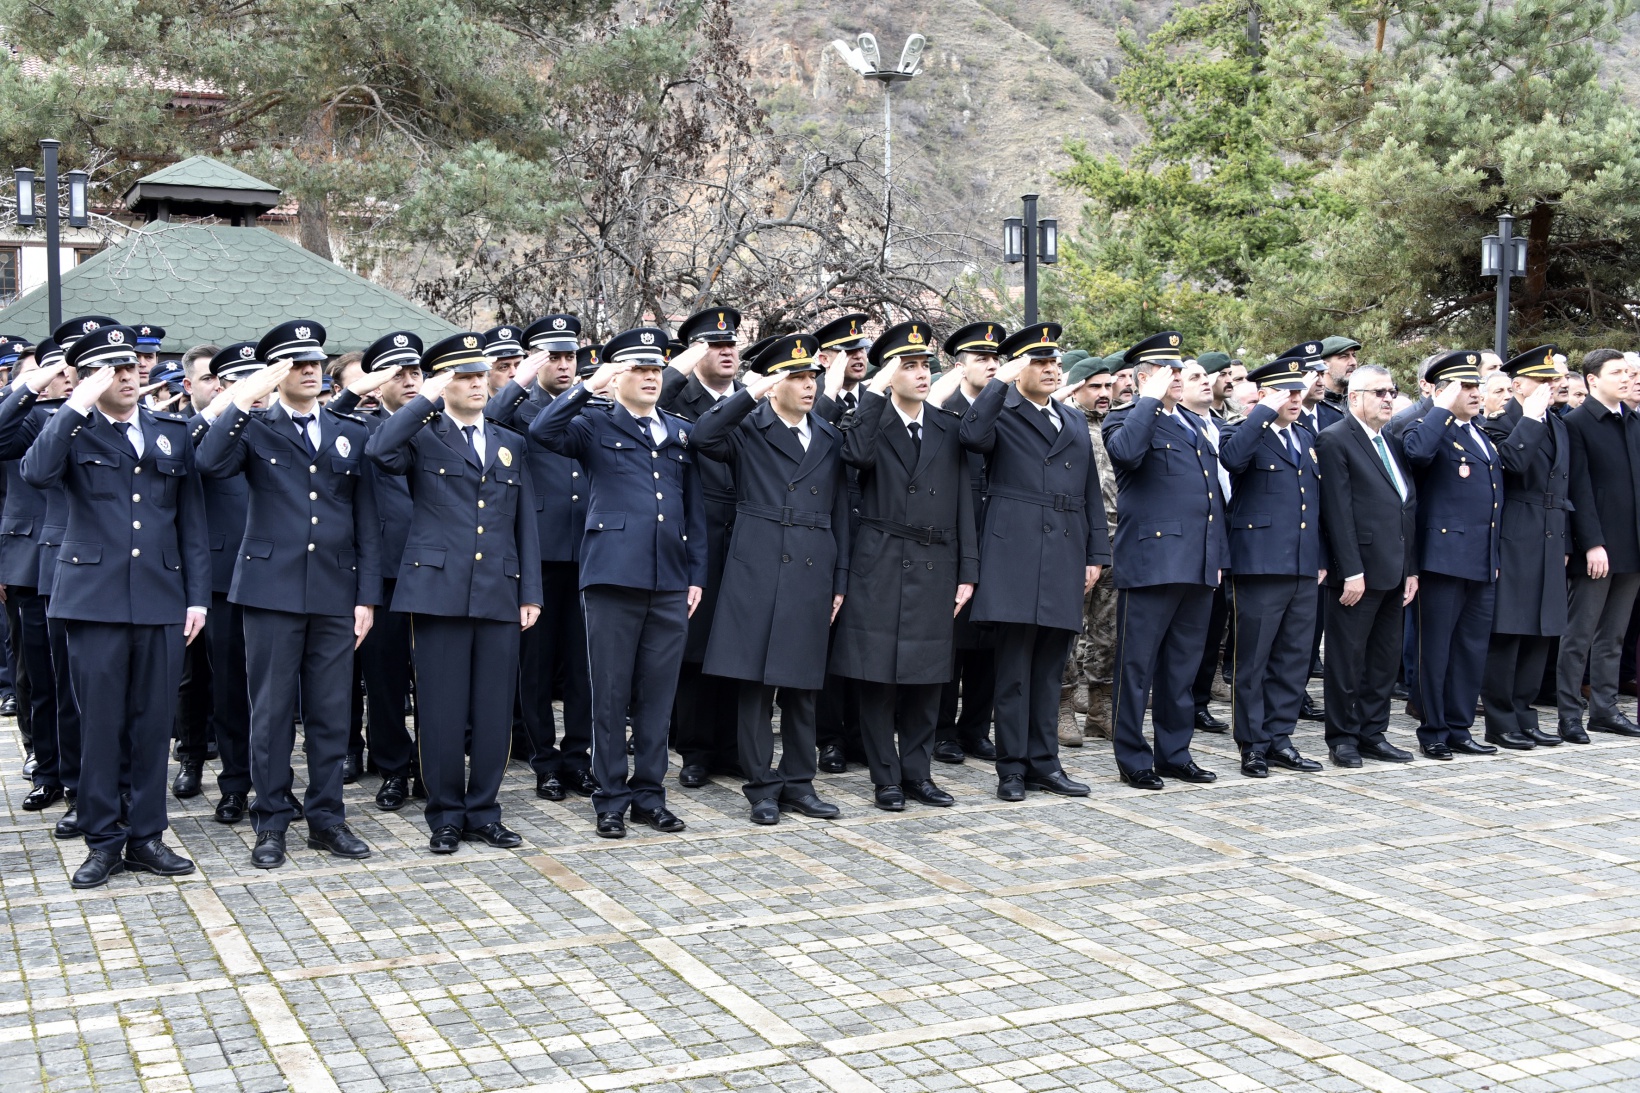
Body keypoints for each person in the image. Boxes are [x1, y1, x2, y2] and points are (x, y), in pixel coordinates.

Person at [18, 325, 210, 888]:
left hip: (160, 598)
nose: (129, 377)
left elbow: (190, 524)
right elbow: (34, 473)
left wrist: (196, 597)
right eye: (112, 370)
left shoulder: (170, 432)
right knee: (100, 724)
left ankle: (147, 835)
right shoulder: (70, 430)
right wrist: (74, 402)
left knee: (152, 724)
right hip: (94, 600)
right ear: (85, 378)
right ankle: (104, 839)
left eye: (131, 367)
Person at [197, 320, 380, 868]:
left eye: (314, 362)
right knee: (272, 712)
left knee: (330, 713)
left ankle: (327, 819)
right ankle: (271, 820)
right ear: (276, 374)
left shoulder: (351, 429)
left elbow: (366, 520)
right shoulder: (252, 427)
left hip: (334, 589)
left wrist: (366, 596)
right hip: (271, 589)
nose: (309, 370)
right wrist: (244, 396)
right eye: (295, 363)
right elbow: (207, 462)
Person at [366, 332, 543, 853]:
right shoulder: (422, 436)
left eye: (479, 375)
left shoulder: (511, 443)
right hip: (438, 592)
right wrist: (425, 398)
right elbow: (379, 450)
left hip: (498, 591)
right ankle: (444, 814)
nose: (475, 384)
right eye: (461, 376)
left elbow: (522, 525)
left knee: (491, 709)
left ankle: (484, 810)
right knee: (441, 709)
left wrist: (529, 591)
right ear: (444, 383)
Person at [533, 326, 706, 838]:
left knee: (657, 695)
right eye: (640, 369)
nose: (652, 377)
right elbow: (542, 433)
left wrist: (695, 574)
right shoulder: (591, 424)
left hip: (670, 580)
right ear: (616, 375)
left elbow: (692, 512)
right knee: (608, 693)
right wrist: (587, 387)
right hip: (612, 577)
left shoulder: (676, 430)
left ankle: (650, 794)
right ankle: (611, 797)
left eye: (657, 369)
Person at [689, 332, 850, 825]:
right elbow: (702, 437)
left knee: (803, 685)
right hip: (758, 562)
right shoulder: (749, 429)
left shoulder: (827, 433)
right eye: (796, 377)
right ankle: (761, 785)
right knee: (756, 684)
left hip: (811, 564)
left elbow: (840, 510)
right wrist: (750, 391)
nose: (807, 385)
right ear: (774, 384)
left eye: (812, 377)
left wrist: (840, 578)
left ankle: (799, 782)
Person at [831, 321, 977, 810]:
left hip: (937, 563)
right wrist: (872, 392)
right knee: (878, 678)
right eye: (906, 366)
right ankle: (885, 778)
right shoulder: (870, 422)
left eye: (923, 365)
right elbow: (853, 454)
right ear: (887, 375)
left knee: (928, 675)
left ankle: (918, 773)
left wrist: (968, 570)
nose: (919, 373)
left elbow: (963, 506)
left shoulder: (948, 427)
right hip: (881, 560)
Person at [961, 322, 1108, 800]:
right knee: (1013, 672)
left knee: (1050, 671)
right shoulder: (999, 410)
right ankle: (1011, 770)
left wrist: (1095, 555)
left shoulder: (1069, 420)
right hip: (1015, 554)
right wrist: (999, 380)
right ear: (1018, 367)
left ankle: (1045, 763)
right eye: (1039, 362)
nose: (1050, 370)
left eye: (1054, 363)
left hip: (1065, 551)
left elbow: (1089, 494)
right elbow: (971, 435)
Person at [1102, 332, 1224, 790]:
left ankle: (1175, 753)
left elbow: (1211, 501)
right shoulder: (1124, 418)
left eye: (1181, 370)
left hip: (1196, 563)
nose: (1179, 377)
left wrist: (1216, 559)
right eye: (1169, 370)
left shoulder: (1193, 425)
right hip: (1152, 563)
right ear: (1145, 376)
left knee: (1181, 667)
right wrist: (1147, 400)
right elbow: (1128, 454)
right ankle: (1133, 757)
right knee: (1137, 666)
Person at [486, 314, 596, 801]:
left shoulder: (589, 404)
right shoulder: (515, 408)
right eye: (553, 355)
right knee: (535, 667)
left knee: (583, 666)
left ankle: (578, 757)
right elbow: (488, 418)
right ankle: (543, 761)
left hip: (589, 553)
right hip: (539, 556)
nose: (565, 365)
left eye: (570, 355)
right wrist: (521, 377)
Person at [1217, 352, 1326, 777]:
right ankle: (1253, 744)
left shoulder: (1304, 436)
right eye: (1285, 391)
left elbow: (1315, 505)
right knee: (1254, 661)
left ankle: (1281, 738)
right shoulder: (1243, 432)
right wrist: (1262, 412)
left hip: (1301, 564)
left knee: (1294, 659)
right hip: (1259, 565)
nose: (1295, 398)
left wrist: (1319, 558)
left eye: (1298, 390)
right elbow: (1232, 460)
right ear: (1263, 395)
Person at [332, 334, 426, 808]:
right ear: (378, 385)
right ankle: (393, 768)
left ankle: (431, 765)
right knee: (386, 681)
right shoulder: (360, 428)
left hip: (435, 574)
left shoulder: (444, 426)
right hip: (384, 574)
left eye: (416, 373)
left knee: (433, 681)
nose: (409, 381)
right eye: (398, 374)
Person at [1401, 351, 1504, 760]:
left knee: (1470, 647)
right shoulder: (1427, 427)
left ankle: (1460, 726)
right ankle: (1434, 730)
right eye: (1467, 386)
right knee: (1436, 649)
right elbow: (1418, 455)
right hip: (1441, 558)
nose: (1476, 393)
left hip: (1480, 557)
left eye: (1477, 385)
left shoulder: (1478, 431)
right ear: (1443, 391)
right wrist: (1442, 406)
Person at [659, 306, 745, 788]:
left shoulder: (754, 397)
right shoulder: (678, 397)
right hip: (696, 533)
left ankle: (732, 747)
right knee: (694, 648)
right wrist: (681, 364)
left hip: (746, 533)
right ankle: (694, 750)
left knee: (737, 641)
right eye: (714, 344)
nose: (726, 351)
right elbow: (650, 396)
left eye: (731, 343)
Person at [1315, 365, 1418, 767]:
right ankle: (1342, 738)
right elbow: (1337, 512)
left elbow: (1405, 507)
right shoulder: (1335, 439)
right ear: (1355, 397)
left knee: (1383, 659)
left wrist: (1411, 568)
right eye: (1380, 392)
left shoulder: (1388, 439)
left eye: (1392, 391)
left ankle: (1373, 733)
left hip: (1394, 568)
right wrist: (1350, 569)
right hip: (1357, 572)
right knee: (1346, 659)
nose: (1389, 398)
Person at [1479, 345, 1570, 750]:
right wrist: (1531, 418)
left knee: (1540, 631)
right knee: (1509, 632)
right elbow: (1512, 467)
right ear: (1518, 385)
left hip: (1551, 534)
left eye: (1555, 381)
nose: (1552, 388)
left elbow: (1568, 485)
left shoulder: (1558, 424)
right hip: (1515, 535)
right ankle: (1500, 719)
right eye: (1543, 381)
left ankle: (1525, 713)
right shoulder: (1500, 423)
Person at [182, 343, 255, 824]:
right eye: (212, 379)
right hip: (216, 577)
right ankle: (209, 769)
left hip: (271, 575)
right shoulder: (193, 428)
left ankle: (259, 780)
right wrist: (224, 410)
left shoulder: (269, 423)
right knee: (210, 683)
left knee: (260, 691)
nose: (221, 387)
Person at [1559, 348, 1640, 741]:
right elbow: (1579, 488)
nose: (1627, 378)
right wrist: (1592, 543)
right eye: (1618, 373)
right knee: (1579, 633)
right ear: (1593, 380)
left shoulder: (1633, 421)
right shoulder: (1576, 423)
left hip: (1633, 546)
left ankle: (1604, 710)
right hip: (1598, 548)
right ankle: (1568, 715)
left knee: (1614, 635)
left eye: (1629, 372)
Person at [931, 322, 1002, 764]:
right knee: (950, 642)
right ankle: (941, 731)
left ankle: (976, 728)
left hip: (997, 539)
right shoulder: (944, 408)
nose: (992, 365)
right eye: (982, 359)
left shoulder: (1005, 406)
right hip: (955, 538)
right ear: (960, 366)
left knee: (990, 643)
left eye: (996, 359)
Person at [813, 312, 872, 774]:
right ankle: (829, 737)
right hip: (828, 527)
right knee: (829, 642)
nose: (858, 357)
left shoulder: (877, 398)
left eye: (861, 350)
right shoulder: (813, 396)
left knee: (863, 637)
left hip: (871, 530)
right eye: (846, 350)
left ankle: (861, 733)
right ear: (825, 358)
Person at [1058, 353, 1120, 743]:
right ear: (1075, 389)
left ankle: (1100, 708)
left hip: (1115, 543)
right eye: (1093, 386)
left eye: (1107, 386)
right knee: (1068, 631)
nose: (1103, 393)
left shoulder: (1117, 426)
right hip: (1074, 545)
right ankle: (1063, 707)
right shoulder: (1064, 425)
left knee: (1108, 634)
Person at [1180, 358, 1237, 735]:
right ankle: (1183, 703)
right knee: (1188, 635)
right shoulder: (1174, 426)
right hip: (1188, 545)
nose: (1207, 381)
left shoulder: (1222, 428)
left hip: (1227, 538)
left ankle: (1199, 702)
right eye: (1195, 377)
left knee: (1214, 627)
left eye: (1206, 376)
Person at [1316, 336, 1360, 431]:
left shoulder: (1359, 400)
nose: (1353, 362)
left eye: (1354, 355)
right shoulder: (1314, 407)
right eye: (1344, 356)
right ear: (1324, 366)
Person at [482, 324, 525, 396]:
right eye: (504, 367)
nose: (514, 373)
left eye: (518, 365)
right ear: (485, 374)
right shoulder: (475, 406)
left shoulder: (540, 405)